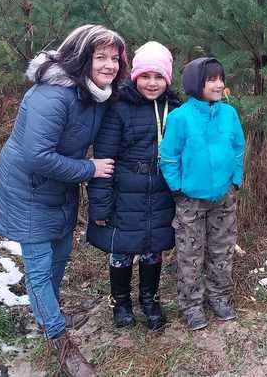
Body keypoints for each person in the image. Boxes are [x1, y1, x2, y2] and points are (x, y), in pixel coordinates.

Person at [0, 24, 127, 377]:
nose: (110, 65)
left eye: (115, 58)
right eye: (101, 57)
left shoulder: (98, 93)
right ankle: (60, 340)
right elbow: (37, 156)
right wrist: (89, 168)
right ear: (82, 58)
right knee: (39, 267)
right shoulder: (52, 95)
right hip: (27, 188)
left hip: (60, 184)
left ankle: (46, 312)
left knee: (61, 253)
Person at [86, 41, 180, 331]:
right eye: (145, 76)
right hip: (124, 192)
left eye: (158, 76)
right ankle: (121, 302)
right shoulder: (118, 107)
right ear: (134, 76)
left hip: (161, 191)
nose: (152, 83)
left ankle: (150, 300)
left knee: (153, 247)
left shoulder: (175, 108)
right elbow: (103, 159)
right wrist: (100, 205)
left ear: (168, 78)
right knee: (122, 250)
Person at [159, 57, 245, 331]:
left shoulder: (229, 114)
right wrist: (178, 189)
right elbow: (168, 157)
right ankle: (191, 306)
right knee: (190, 254)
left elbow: (238, 148)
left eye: (221, 79)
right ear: (196, 83)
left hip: (224, 197)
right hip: (191, 200)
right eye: (211, 80)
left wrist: (235, 181)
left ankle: (219, 297)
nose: (219, 85)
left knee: (222, 250)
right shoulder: (180, 117)